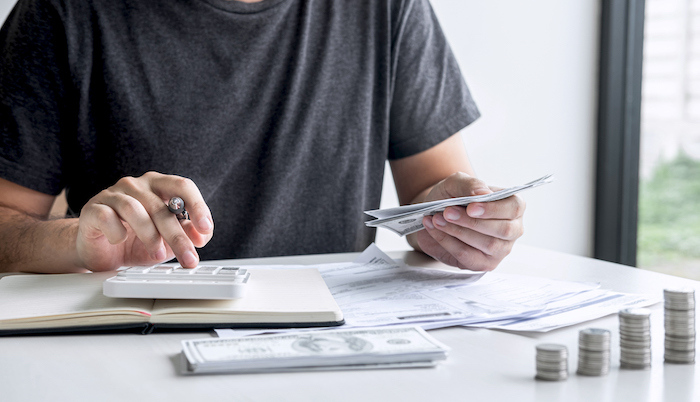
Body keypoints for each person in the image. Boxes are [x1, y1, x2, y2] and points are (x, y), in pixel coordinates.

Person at [0, 0, 525, 274]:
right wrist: (75, 242)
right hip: (137, 347)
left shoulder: (387, 7)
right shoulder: (61, 13)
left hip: (341, 348)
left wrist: (466, 224)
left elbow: (431, 193)